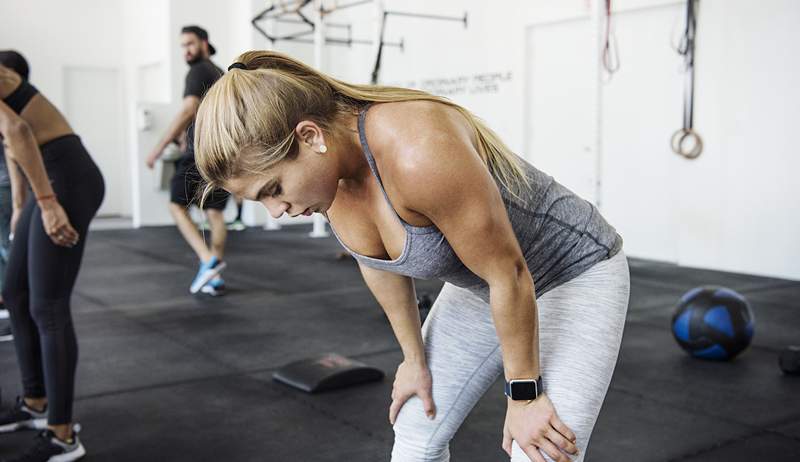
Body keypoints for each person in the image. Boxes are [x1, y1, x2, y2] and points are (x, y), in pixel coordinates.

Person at [193, 51, 630, 462]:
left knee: (539, 449)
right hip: (482, 285)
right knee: (416, 428)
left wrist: (525, 395)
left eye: (274, 189)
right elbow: (377, 262)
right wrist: (413, 359)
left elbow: (510, 274)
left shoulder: (417, 150)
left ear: (310, 137)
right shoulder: (328, 182)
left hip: (572, 272)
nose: (277, 211)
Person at [0, 50, 105, 462]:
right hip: (48, 174)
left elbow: (19, 132)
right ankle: (35, 402)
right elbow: (10, 143)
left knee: (48, 305)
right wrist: (23, 206)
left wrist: (45, 201)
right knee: (15, 293)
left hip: (67, 175)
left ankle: (63, 435)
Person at [145, 25, 228, 296]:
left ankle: (208, 260)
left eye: (190, 43)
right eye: (182, 45)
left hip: (198, 153)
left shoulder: (198, 70)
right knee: (214, 213)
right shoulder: (219, 72)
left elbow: (188, 109)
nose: (186, 50)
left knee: (176, 206)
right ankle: (213, 277)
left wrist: (158, 147)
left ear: (204, 42)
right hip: (219, 152)